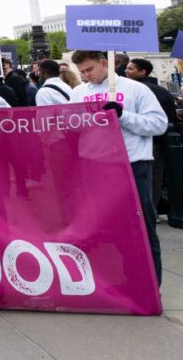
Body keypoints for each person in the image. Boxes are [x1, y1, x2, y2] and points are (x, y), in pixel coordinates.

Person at [71, 50, 165, 285]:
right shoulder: (78, 93)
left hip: (132, 166)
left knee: (142, 228)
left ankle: (150, 285)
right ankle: (116, 281)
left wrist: (123, 116)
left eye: (89, 69)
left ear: (105, 63)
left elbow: (159, 124)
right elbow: (69, 127)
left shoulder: (136, 89)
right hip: (96, 168)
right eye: (81, 72)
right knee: (106, 230)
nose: (85, 75)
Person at [126, 58, 181, 207]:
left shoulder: (139, 90)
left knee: (150, 180)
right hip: (160, 141)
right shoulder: (161, 89)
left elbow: (158, 121)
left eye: (131, 69)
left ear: (143, 71)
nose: (126, 71)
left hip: (150, 142)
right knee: (155, 178)